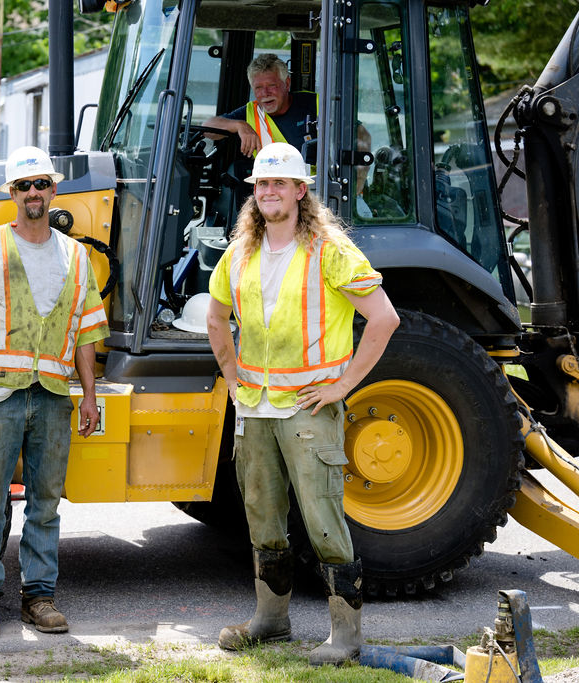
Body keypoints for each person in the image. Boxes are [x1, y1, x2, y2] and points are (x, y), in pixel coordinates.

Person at [205, 143, 399, 665]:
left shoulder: (330, 250)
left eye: (279, 184)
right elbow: (215, 317)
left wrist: (342, 386)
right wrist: (232, 375)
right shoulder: (240, 251)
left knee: (322, 518)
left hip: (309, 409)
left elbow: (384, 319)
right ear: (254, 193)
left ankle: (346, 635)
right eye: (261, 185)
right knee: (261, 516)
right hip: (255, 407)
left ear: (300, 190)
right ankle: (271, 620)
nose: (269, 192)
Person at [0, 145, 109, 638]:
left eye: (41, 184)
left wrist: (88, 396)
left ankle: (39, 597)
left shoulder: (76, 255)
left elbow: (88, 333)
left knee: (46, 503)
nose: (33, 193)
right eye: (23, 185)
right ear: (11, 193)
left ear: (54, 189)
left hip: (52, 395)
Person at [204, 53, 316, 158]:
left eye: (272, 85)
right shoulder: (251, 112)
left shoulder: (316, 104)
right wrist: (239, 125)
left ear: (287, 84)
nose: (265, 93)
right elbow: (207, 129)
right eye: (258, 87)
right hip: (268, 178)